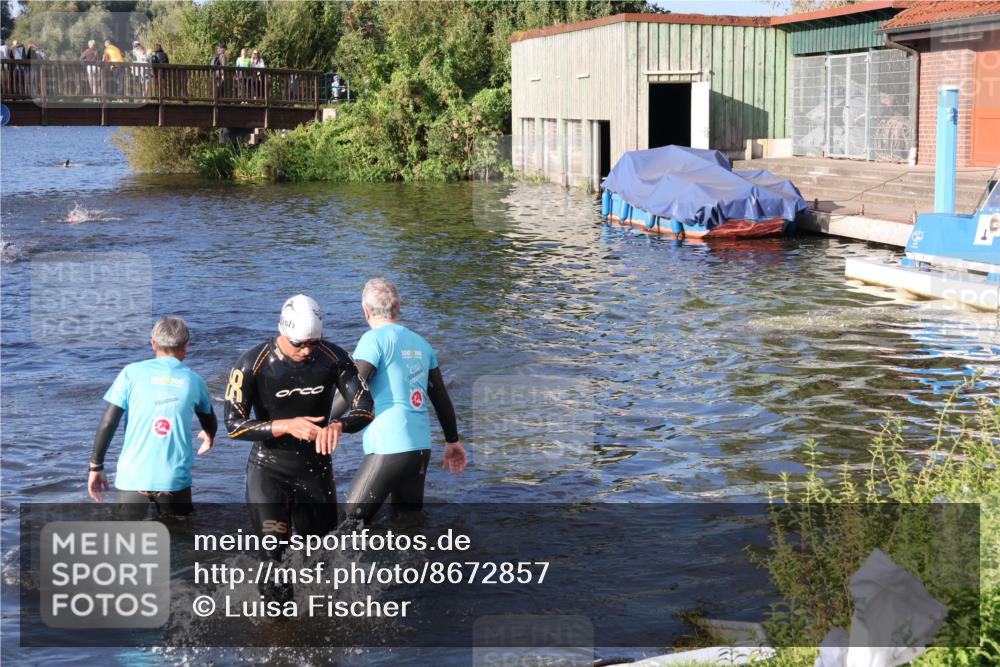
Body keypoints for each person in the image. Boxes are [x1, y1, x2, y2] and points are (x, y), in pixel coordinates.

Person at [224, 295, 374, 595]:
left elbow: (365, 407)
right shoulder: (252, 363)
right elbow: (233, 425)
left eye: (313, 343)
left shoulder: (334, 358)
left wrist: (339, 425)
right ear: (283, 331)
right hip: (268, 470)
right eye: (299, 343)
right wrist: (285, 426)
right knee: (273, 560)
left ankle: (318, 627)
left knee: (322, 562)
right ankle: (279, 632)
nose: (306, 350)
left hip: (315, 472)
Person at [339, 278, 466, 527]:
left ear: (365, 311)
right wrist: (453, 441)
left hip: (389, 447)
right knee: (408, 529)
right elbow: (441, 399)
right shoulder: (422, 344)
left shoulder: (372, 340)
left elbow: (352, 389)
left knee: (348, 523)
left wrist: (319, 423)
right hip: (420, 449)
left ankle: (331, 567)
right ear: (399, 308)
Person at [88, 317, 217, 518]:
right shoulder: (194, 380)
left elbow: (109, 422)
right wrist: (210, 435)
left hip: (132, 479)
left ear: (153, 343)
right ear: (186, 346)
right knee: (180, 540)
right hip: (173, 481)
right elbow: (209, 419)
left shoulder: (130, 373)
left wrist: (96, 466)